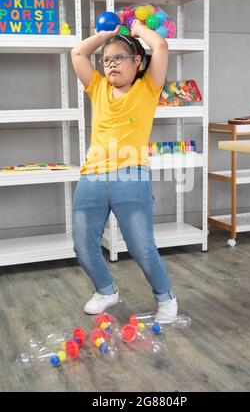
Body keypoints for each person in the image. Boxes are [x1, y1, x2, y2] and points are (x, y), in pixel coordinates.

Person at [71, 18, 178, 322]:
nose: (111, 64)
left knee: (141, 247)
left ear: (137, 62)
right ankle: (106, 291)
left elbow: (160, 45)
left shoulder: (148, 88)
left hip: (131, 173)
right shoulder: (98, 87)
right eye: (106, 60)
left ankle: (166, 297)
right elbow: (78, 54)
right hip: (92, 175)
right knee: (82, 245)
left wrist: (137, 29)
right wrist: (106, 35)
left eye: (119, 58)